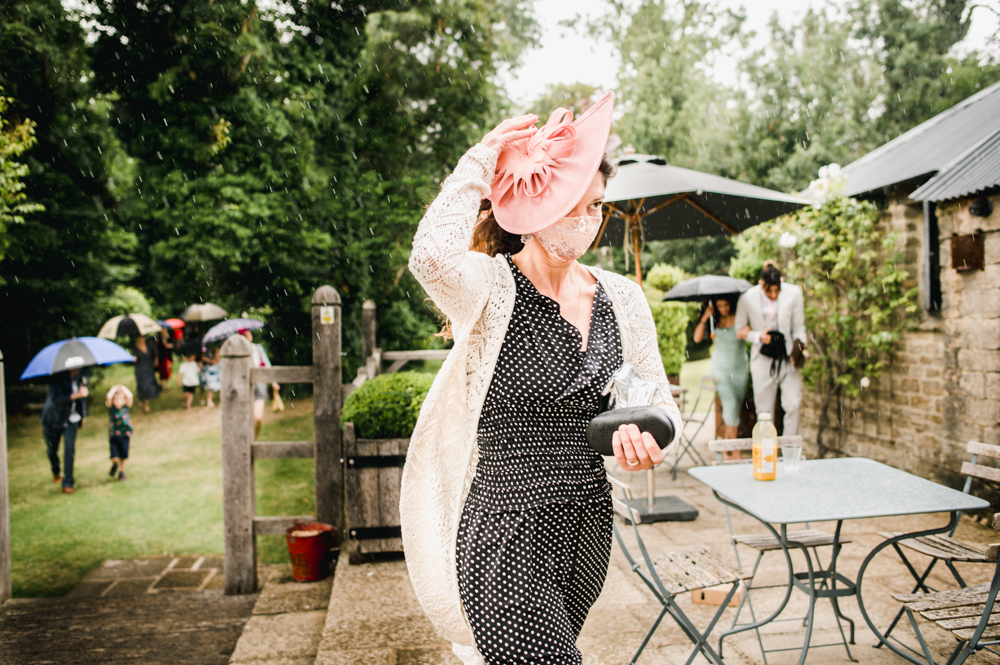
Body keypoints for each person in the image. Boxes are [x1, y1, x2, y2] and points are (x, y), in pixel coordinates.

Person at [401, 92, 683, 665]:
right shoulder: (489, 289)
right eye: (574, 207)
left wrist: (651, 439)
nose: (589, 221)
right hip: (504, 527)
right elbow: (429, 258)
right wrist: (479, 161)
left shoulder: (623, 300)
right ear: (532, 209)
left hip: (586, 527)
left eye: (598, 206)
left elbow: (657, 400)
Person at [736, 261, 807, 435]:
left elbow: (799, 327)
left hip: (787, 357)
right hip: (762, 359)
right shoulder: (747, 298)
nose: (774, 294)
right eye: (770, 291)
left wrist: (799, 349)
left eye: (777, 290)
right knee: (764, 413)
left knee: (793, 405)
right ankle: (767, 453)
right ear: (761, 285)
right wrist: (758, 336)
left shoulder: (794, 293)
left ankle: (790, 449)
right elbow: (740, 330)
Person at [693, 296, 748, 447]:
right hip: (720, 370)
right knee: (729, 404)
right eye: (720, 306)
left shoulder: (740, 318)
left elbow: (748, 334)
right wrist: (705, 317)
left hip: (739, 368)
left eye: (726, 305)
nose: (723, 309)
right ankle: (732, 448)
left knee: (735, 406)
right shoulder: (712, 321)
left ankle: (728, 447)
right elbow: (697, 338)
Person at [40, 369, 89, 494]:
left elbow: (82, 399)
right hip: (54, 418)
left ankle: (68, 482)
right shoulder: (56, 377)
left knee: (70, 448)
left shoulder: (81, 378)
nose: (78, 368)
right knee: (52, 450)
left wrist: (82, 415)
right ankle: (56, 471)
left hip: (71, 419)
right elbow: (57, 398)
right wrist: (78, 394)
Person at [242, 329, 279, 440]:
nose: (248, 336)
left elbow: (267, 364)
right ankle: (248, 441)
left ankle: (255, 440)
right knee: (246, 419)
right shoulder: (239, 352)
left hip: (259, 385)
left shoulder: (257, 348)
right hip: (244, 387)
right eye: (244, 334)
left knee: (258, 418)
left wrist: (273, 382)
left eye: (249, 333)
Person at [105, 385, 133, 481]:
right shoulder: (112, 409)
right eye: (116, 399)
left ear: (124, 400)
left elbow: (130, 396)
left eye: (120, 399)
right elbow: (108, 396)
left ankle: (121, 472)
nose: (118, 401)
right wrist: (114, 388)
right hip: (114, 436)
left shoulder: (126, 408)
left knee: (123, 456)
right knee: (114, 457)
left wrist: (122, 387)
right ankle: (115, 465)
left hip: (125, 435)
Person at [132, 335, 161, 413]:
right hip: (140, 369)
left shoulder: (150, 345)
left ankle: (146, 405)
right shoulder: (135, 347)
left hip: (149, 368)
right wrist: (133, 359)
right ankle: (141, 407)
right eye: (140, 337)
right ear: (137, 338)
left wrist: (156, 360)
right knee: (141, 387)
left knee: (148, 386)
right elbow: (134, 358)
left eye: (143, 337)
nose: (141, 339)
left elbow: (155, 354)